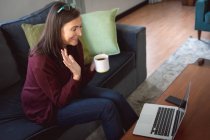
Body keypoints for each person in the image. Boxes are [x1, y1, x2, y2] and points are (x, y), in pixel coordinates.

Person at [21, 2, 138, 140]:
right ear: (58, 29)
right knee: (107, 107)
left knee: (116, 96)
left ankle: (139, 132)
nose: (80, 33)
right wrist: (76, 75)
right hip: (47, 108)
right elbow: (59, 101)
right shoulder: (39, 60)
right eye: (74, 28)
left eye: (80, 27)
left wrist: (90, 69)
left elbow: (79, 82)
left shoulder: (73, 45)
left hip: (68, 88)